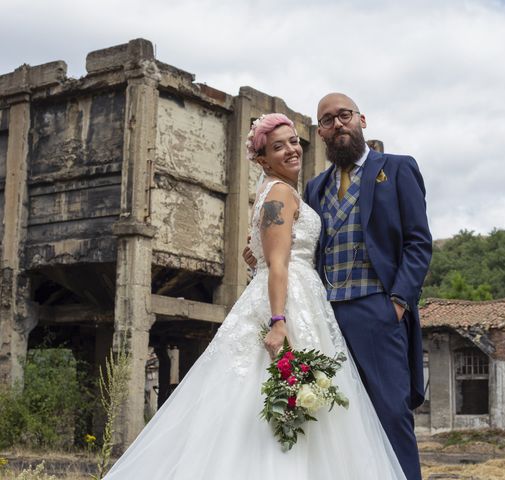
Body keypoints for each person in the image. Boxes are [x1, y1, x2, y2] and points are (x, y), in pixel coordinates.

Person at [103, 113, 407, 479]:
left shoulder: (277, 190)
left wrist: (259, 258)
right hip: (289, 301)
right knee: (284, 405)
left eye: (294, 141)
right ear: (262, 159)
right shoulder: (279, 192)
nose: (291, 149)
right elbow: (278, 265)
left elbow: (268, 255)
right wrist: (279, 323)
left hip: (297, 294)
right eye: (279, 146)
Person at [247, 93, 432, 480]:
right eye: (328, 121)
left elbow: (418, 242)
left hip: (378, 310)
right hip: (323, 317)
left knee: (391, 413)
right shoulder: (313, 188)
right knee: (340, 421)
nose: (337, 125)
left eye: (344, 116)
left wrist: (397, 301)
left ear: (362, 119)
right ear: (321, 133)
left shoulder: (397, 170)